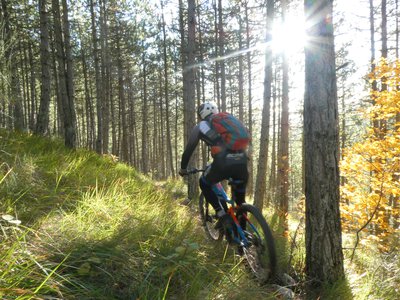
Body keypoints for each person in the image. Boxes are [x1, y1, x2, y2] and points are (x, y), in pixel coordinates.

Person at [178, 101, 249, 239]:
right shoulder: (229, 120)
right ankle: (243, 241)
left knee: (204, 182)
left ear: (201, 114)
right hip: (242, 161)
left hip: (223, 162)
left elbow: (188, 151)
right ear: (216, 111)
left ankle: (221, 215)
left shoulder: (201, 126)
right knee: (240, 203)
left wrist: (183, 168)